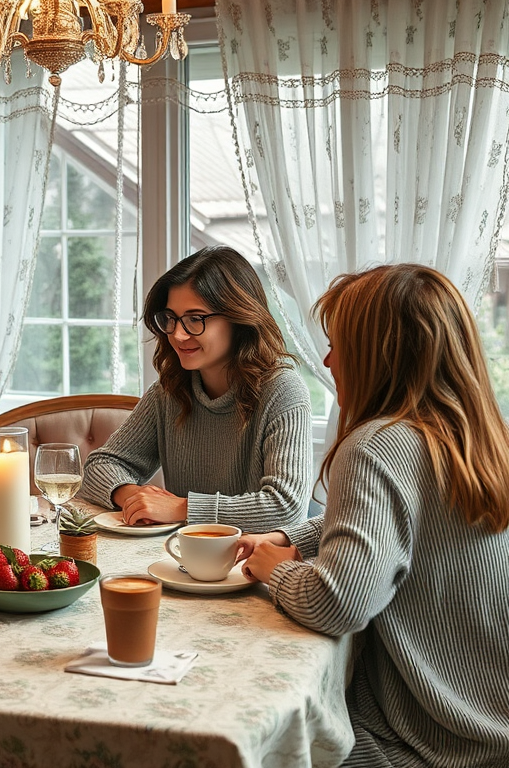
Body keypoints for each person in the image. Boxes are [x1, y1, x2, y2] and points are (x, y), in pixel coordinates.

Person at [238, 264, 509, 766]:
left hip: (424, 746)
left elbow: (337, 603)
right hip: (494, 733)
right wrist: (296, 540)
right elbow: (401, 527)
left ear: (377, 355)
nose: (327, 359)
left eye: (338, 344)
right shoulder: (482, 439)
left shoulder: (377, 447)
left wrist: (275, 569)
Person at [78, 245, 313, 532]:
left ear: (239, 319)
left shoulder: (283, 390)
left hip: (251, 569)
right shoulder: (170, 390)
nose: (178, 334)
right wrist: (133, 497)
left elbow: (285, 507)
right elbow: (100, 466)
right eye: (172, 318)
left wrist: (180, 508)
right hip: (181, 560)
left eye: (195, 319)